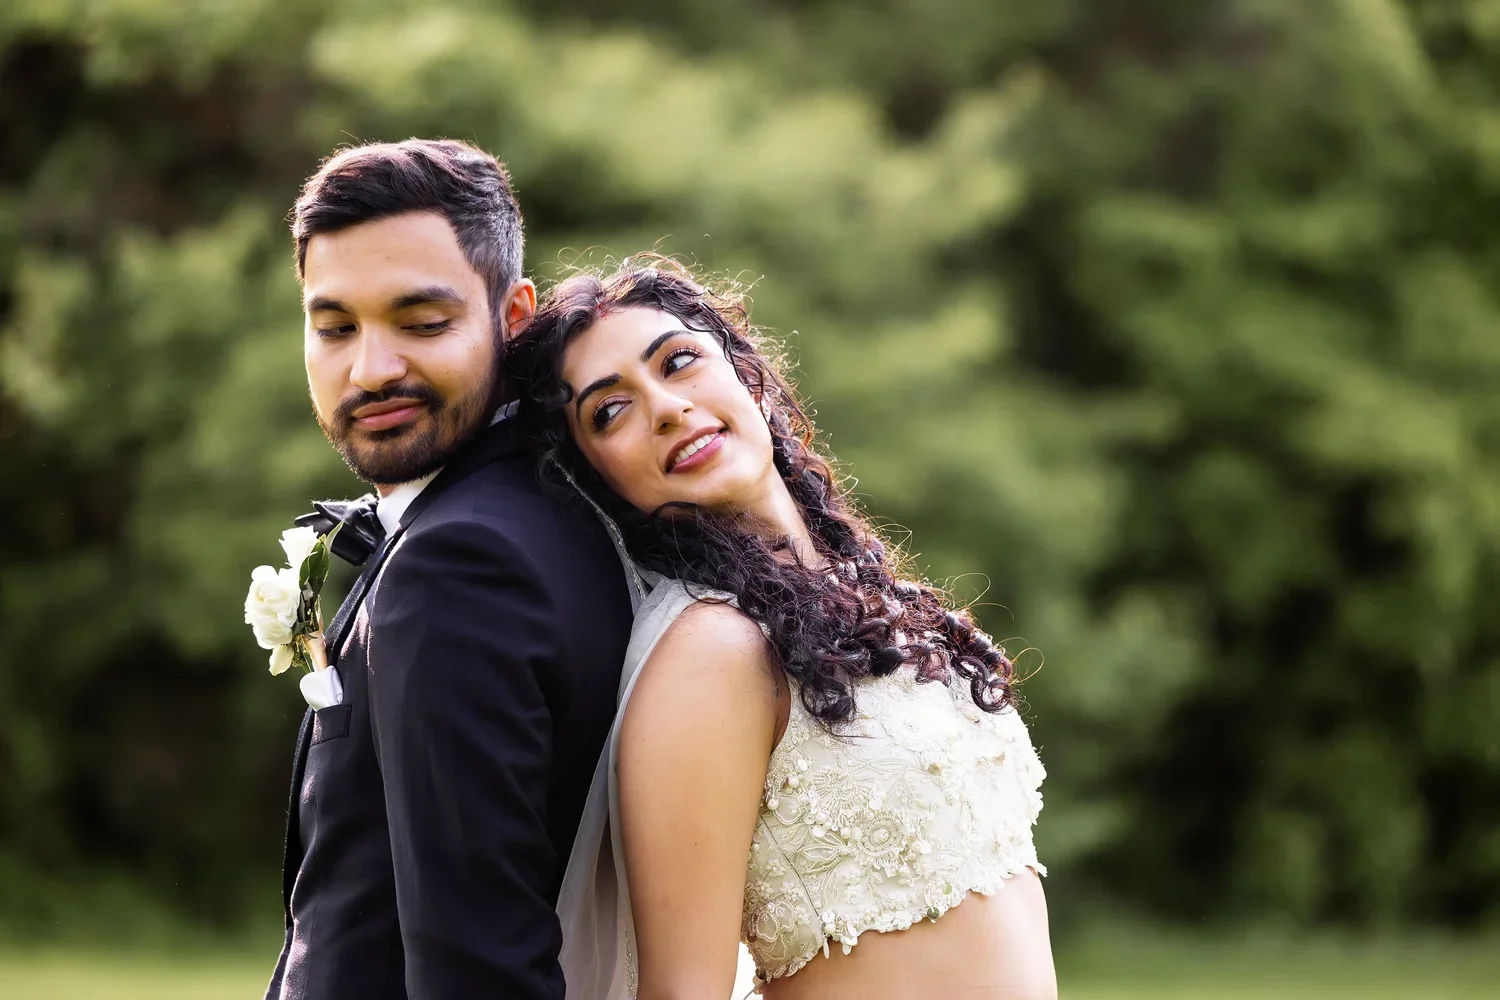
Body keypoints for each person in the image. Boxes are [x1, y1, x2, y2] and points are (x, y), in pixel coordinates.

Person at [510, 258, 1056, 1000]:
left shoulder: (865, 596)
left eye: (679, 362)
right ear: (598, 477)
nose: (666, 407)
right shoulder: (712, 651)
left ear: (746, 374)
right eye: (611, 411)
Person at [265, 139, 635, 1000]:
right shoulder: (539, 517)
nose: (373, 368)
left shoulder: (463, 566)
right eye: (335, 327)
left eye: (422, 323)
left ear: (513, 317)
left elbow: (480, 968)